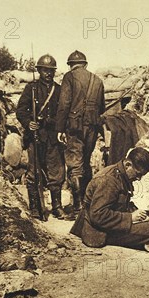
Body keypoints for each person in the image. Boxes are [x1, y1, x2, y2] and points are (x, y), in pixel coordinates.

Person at [70, 147, 149, 249]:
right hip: (97, 231)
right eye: (138, 174)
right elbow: (98, 215)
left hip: (107, 227)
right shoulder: (109, 180)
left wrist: (139, 214)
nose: (139, 179)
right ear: (128, 165)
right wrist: (130, 218)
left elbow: (117, 203)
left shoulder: (120, 175)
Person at [55, 50, 106, 215]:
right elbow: (102, 108)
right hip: (92, 126)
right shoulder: (97, 80)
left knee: (75, 165)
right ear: (86, 64)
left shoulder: (69, 77)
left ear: (70, 65)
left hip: (74, 127)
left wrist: (60, 128)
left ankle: (78, 206)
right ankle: (88, 203)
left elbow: (64, 104)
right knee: (85, 163)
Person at [16, 54, 66, 219]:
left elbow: (62, 114)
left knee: (56, 173)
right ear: (39, 70)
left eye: (51, 71)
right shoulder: (31, 89)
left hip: (52, 137)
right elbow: (21, 110)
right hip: (35, 137)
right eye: (45, 70)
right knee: (34, 173)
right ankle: (35, 207)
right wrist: (28, 123)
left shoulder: (58, 90)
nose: (48, 74)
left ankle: (57, 207)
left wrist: (50, 122)